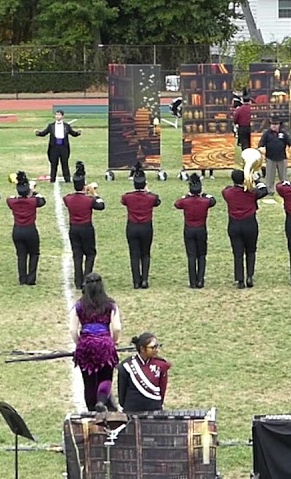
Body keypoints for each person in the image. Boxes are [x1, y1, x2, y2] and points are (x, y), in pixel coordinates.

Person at [70, 273, 123, 412]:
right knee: (106, 377)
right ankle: (101, 400)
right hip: (105, 343)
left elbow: (73, 330)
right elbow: (117, 327)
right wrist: (113, 341)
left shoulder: (79, 305)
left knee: (88, 381)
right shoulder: (110, 304)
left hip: (85, 344)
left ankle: (91, 409)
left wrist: (79, 344)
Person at [222, 169, 269, 289]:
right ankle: (249, 276)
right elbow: (264, 190)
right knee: (251, 251)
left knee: (237, 254)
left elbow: (225, 189)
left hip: (234, 225)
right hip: (250, 224)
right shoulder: (251, 192)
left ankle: (240, 280)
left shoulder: (228, 193)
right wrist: (256, 180)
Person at [64, 162, 106, 290]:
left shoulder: (68, 198)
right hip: (86, 228)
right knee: (90, 254)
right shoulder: (89, 200)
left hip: (73, 228)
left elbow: (70, 197)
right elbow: (101, 205)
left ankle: (78, 281)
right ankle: (86, 280)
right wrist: (94, 193)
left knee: (77, 255)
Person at [121, 164, 162, 289]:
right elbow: (157, 202)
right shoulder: (151, 197)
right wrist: (147, 191)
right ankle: (144, 279)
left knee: (134, 254)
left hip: (132, 227)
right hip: (146, 227)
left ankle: (136, 281)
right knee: (145, 253)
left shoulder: (127, 197)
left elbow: (123, 201)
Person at [174, 173, 216, 289]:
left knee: (191, 256)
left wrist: (187, 195)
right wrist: (204, 194)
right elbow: (213, 200)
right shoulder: (205, 201)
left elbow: (177, 203)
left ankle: (192, 281)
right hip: (201, 229)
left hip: (189, 229)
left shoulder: (185, 201)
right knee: (201, 255)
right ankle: (200, 280)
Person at [7, 171, 46, 285]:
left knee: (21, 255)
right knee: (34, 254)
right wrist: (33, 191)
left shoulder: (12, 201)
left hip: (17, 230)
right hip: (30, 230)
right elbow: (42, 200)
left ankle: (22, 279)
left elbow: (11, 198)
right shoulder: (32, 201)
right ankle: (31, 279)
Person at [117, 332, 170, 412]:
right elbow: (122, 392)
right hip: (132, 410)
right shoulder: (126, 366)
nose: (157, 350)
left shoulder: (161, 365)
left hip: (154, 409)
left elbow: (162, 388)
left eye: (157, 346)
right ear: (142, 349)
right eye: (153, 347)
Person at [36, 110, 81, 183]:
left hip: (64, 147)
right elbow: (44, 133)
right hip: (54, 147)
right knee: (53, 164)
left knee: (65, 163)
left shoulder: (66, 126)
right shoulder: (51, 126)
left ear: (62, 116)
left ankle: (67, 179)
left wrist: (78, 133)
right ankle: (52, 179)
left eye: (59, 115)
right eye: (56, 115)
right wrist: (38, 133)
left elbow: (73, 133)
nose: (57, 116)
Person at [259, 117, 291, 186]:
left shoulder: (283, 133)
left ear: (279, 125)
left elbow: (290, 142)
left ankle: (284, 189)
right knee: (270, 176)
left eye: (276, 124)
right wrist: (261, 148)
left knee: (283, 176)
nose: (274, 126)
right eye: (272, 124)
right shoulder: (266, 134)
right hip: (270, 158)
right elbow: (261, 143)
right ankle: (269, 190)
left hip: (282, 157)